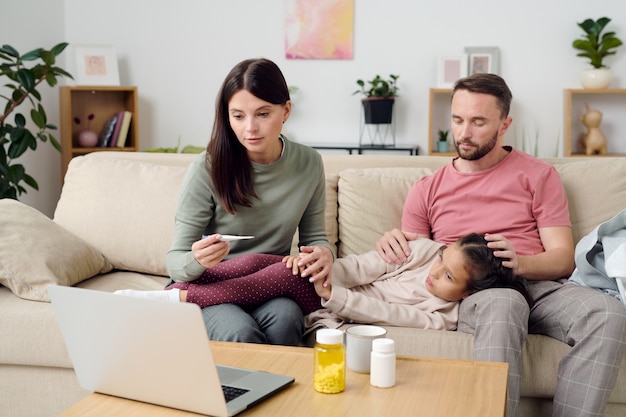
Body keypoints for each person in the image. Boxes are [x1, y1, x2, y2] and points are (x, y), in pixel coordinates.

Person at [375, 73, 626, 417]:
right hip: (479, 294)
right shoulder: (427, 188)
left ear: (504, 123)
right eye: (458, 120)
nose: (463, 133)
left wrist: (520, 263)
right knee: (505, 302)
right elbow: (417, 263)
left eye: (478, 122)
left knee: (608, 313)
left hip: (539, 287)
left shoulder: (539, 175)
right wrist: (391, 241)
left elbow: (563, 259)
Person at [118, 58, 334, 346]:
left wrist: (324, 254)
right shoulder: (206, 167)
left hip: (269, 283)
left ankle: (286, 392)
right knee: (240, 332)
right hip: (212, 281)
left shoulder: (308, 163)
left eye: (263, 113)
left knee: (286, 320)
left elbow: (315, 238)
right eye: (238, 116)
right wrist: (197, 259)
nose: (250, 128)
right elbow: (176, 262)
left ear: (286, 111)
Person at [306, 233, 531, 331]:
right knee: (282, 271)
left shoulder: (442, 318)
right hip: (317, 280)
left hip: (326, 303)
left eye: (449, 276)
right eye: (441, 260)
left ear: (468, 294)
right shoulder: (422, 250)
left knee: (282, 316)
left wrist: (332, 295)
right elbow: (361, 266)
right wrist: (325, 275)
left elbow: (388, 314)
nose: (434, 273)